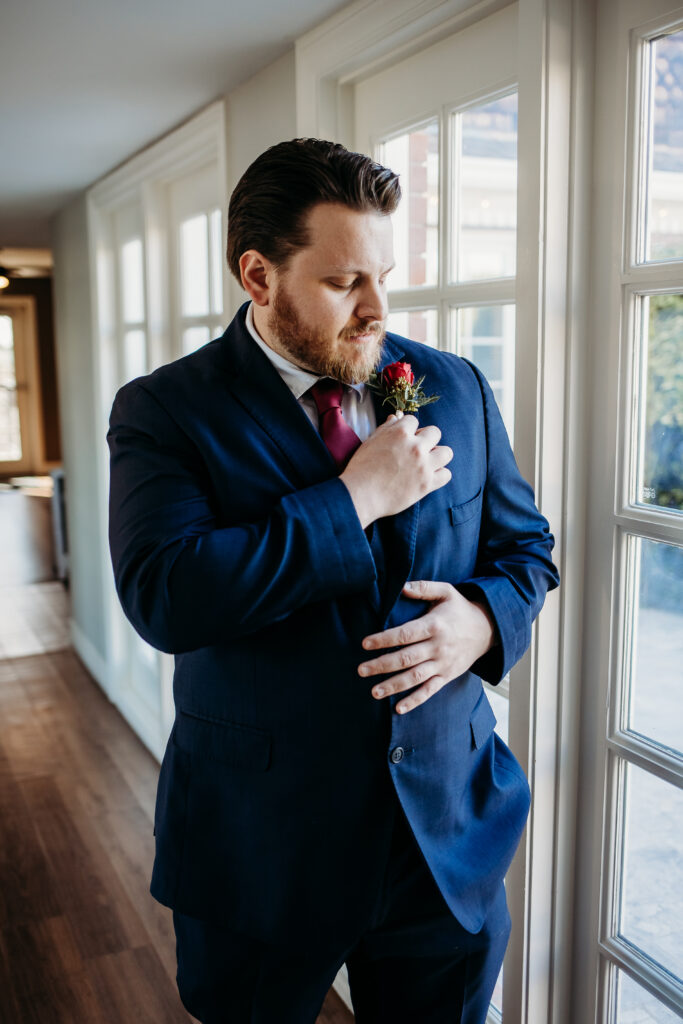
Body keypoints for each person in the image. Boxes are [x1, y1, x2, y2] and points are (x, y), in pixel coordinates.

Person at [107, 138, 559, 1024]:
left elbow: (527, 550)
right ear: (257, 275)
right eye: (344, 281)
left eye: (384, 273)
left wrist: (479, 621)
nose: (377, 308)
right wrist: (350, 501)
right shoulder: (165, 411)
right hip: (258, 848)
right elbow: (166, 593)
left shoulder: (452, 385)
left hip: (443, 843)